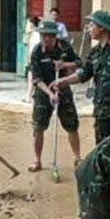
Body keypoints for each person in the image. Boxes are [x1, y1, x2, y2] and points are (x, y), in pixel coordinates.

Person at [51, 10, 110, 144]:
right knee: (102, 149)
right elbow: (84, 73)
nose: (88, 29)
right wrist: (64, 81)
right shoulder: (95, 52)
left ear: (101, 27)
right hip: (102, 112)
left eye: (92, 25)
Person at [25, 18, 81, 172]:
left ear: (55, 36)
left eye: (49, 35)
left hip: (63, 89)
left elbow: (79, 63)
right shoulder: (36, 52)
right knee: (38, 127)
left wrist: (64, 65)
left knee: (72, 125)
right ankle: (37, 161)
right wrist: (50, 94)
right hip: (43, 92)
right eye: (43, 35)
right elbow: (37, 79)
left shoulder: (65, 47)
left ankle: (77, 158)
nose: (46, 39)